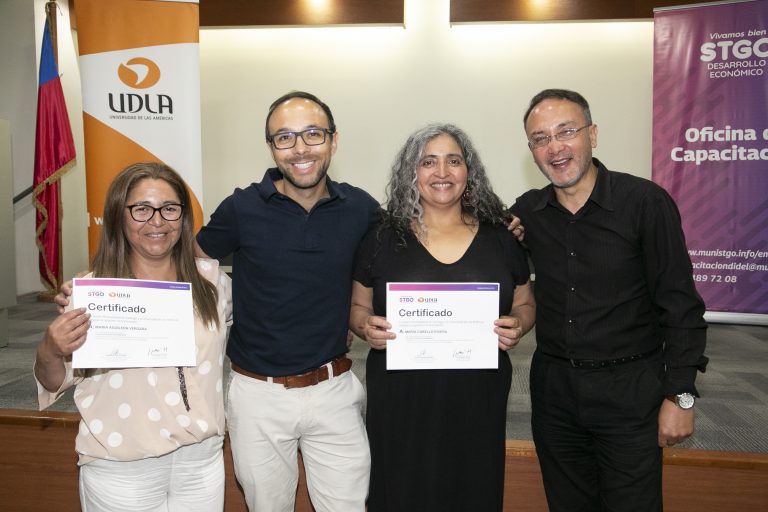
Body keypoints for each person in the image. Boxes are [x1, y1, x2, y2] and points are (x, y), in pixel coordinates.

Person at [510, 89, 708, 511]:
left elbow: (682, 307)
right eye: (540, 139)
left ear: (592, 134)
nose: (555, 147)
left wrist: (681, 396)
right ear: (532, 150)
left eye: (567, 132)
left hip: (631, 391)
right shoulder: (527, 212)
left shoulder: (645, 203)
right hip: (555, 392)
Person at [195, 91, 379, 511]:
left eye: (313, 134)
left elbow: (413, 246)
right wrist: (99, 290)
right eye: (285, 137)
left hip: (334, 389)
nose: (300, 148)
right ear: (270, 147)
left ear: (334, 141)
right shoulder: (242, 207)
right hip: (259, 395)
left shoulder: (361, 208)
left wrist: (501, 226)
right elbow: (185, 264)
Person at [349, 124, 536, 511]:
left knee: (472, 487)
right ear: (411, 173)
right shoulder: (382, 236)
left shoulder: (501, 236)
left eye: (454, 161)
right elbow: (358, 308)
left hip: (476, 396)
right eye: (428, 162)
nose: (442, 172)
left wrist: (518, 324)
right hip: (402, 397)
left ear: (469, 172)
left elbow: (526, 303)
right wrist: (366, 327)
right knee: (400, 487)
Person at [35, 162, 233, 511]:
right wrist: (51, 350)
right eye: (141, 209)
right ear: (118, 216)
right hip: (121, 468)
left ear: (183, 217)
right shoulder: (91, 293)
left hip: (201, 464)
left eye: (169, 209)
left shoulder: (213, 284)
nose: (157, 221)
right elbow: (54, 379)